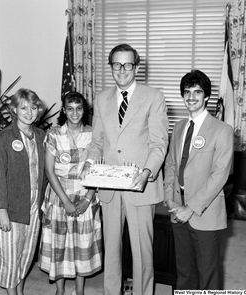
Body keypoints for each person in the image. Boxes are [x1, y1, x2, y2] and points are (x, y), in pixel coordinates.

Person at [81, 44, 169, 295]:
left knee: (143, 252)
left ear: (137, 67)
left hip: (140, 186)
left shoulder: (154, 97)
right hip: (108, 187)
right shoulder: (100, 99)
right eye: (116, 65)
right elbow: (97, 142)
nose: (122, 70)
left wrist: (147, 172)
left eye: (128, 65)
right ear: (111, 67)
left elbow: (159, 144)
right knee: (112, 252)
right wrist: (89, 163)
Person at [164, 69, 234, 290]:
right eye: (187, 92)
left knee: (208, 274)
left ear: (207, 96)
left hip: (204, 211)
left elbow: (219, 175)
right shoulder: (178, 128)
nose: (191, 97)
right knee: (184, 272)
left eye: (197, 92)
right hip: (177, 208)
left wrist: (191, 208)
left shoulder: (222, 130)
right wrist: (170, 199)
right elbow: (171, 165)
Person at [39, 91, 102, 295]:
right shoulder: (54, 134)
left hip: (85, 193)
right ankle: (60, 289)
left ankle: (80, 289)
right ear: (64, 110)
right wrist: (65, 201)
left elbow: (96, 170)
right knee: (59, 243)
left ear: (84, 110)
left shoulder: (94, 134)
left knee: (82, 244)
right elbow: (49, 171)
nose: (75, 113)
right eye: (70, 108)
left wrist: (87, 198)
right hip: (59, 195)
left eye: (79, 108)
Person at [0, 88, 46, 295]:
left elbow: (47, 173)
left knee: (26, 254)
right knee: (11, 257)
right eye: (23, 107)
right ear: (14, 109)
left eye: (33, 107)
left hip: (33, 208)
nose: (29, 112)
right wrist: (1, 209)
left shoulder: (41, 136)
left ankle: (20, 292)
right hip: (11, 210)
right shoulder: (4, 138)